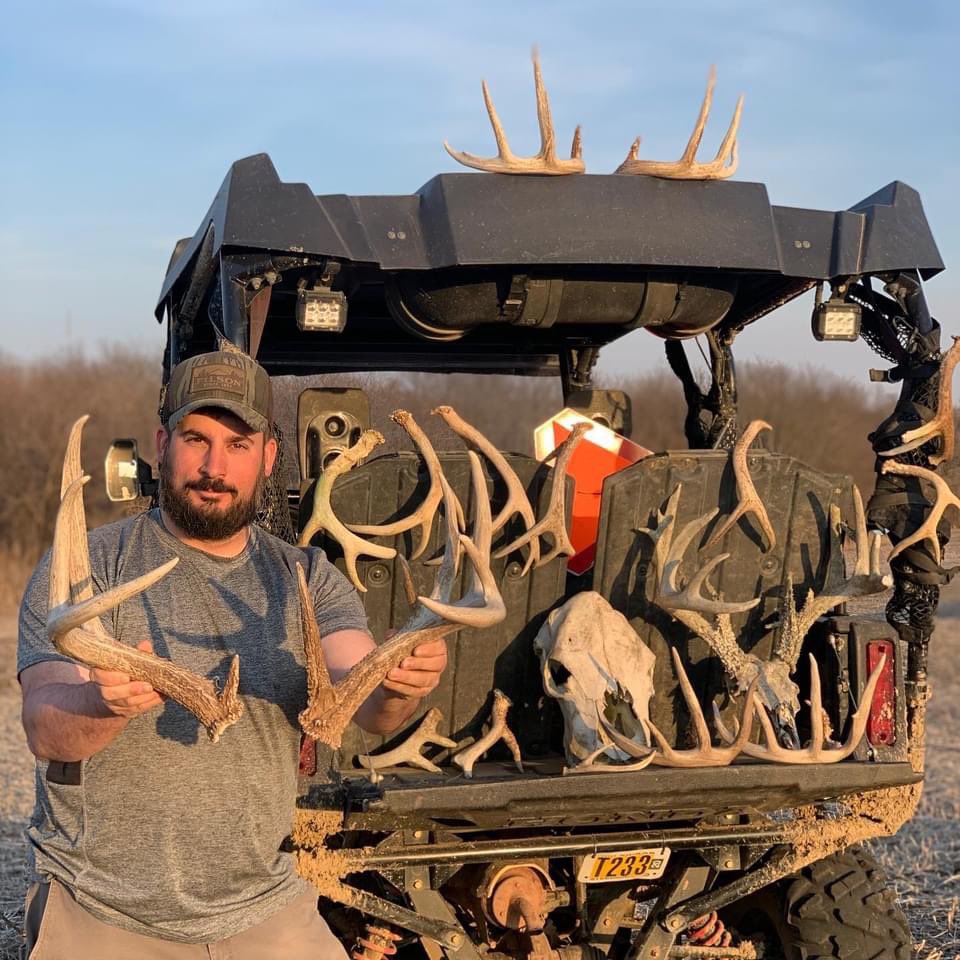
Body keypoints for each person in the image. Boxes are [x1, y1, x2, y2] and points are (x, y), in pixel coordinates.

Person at [17, 349, 448, 959]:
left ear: (269, 457)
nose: (214, 466)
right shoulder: (90, 569)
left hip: (266, 910)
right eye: (197, 438)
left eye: (239, 444)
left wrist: (402, 682)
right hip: (106, 912)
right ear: (163, 442)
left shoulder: (308, 576)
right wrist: (99, 703)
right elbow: (46, 726)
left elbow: (368, 699)